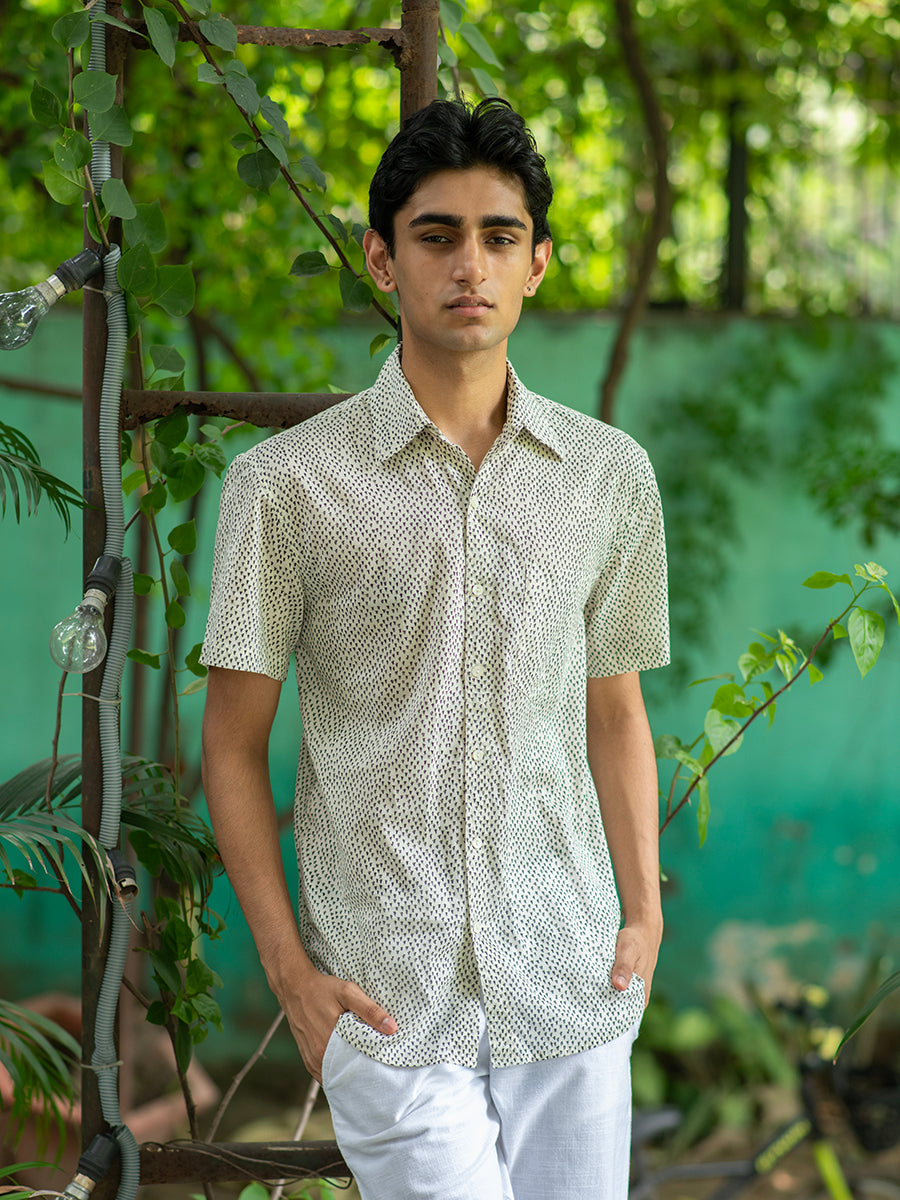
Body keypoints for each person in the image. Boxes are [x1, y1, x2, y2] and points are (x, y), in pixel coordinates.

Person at [200, 97, 669, 1200]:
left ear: (536, 264)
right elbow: (231, 746)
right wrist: (290, 974)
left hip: (572, 979)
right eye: (437, 235)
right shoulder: (284, 486)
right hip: (387, 999)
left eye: (500, 237)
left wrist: (644, 915)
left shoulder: (609, 476)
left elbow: (616, 711)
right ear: (383, 259)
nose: (470, 265)